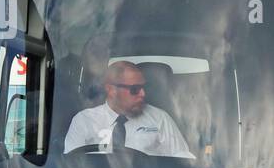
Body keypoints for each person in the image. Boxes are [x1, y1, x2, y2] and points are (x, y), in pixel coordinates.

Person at [64, 61, 194, 157]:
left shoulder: (160, 119)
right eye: (135, 89)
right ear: (111, 90)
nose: (143, 94)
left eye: (144, 87)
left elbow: (183, 160)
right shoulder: (84, 121)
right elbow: (71, 165)